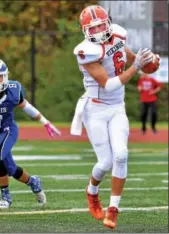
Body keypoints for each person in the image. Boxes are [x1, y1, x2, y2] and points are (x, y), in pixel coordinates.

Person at [70, 5, 159, 229]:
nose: (99, 30)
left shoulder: (118, 34)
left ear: (109, 22)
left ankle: (113, 209)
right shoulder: (86, 51)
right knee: (106, 162)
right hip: (96, 110)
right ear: (85, 31)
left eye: (101, 24)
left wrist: (148, 62)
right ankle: (92, 191)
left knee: (121, 154)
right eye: (93, 27)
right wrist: (137, 67)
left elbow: (129, 59)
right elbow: (109, 84)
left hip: (117, 107)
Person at [0, 58, 61, 209]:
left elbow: (26, 106)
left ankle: (6, 197)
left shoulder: (13, 90)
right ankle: (33, 182)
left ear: (5, 76)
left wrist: (45, 122)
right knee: (11, 169)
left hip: (8, 130)